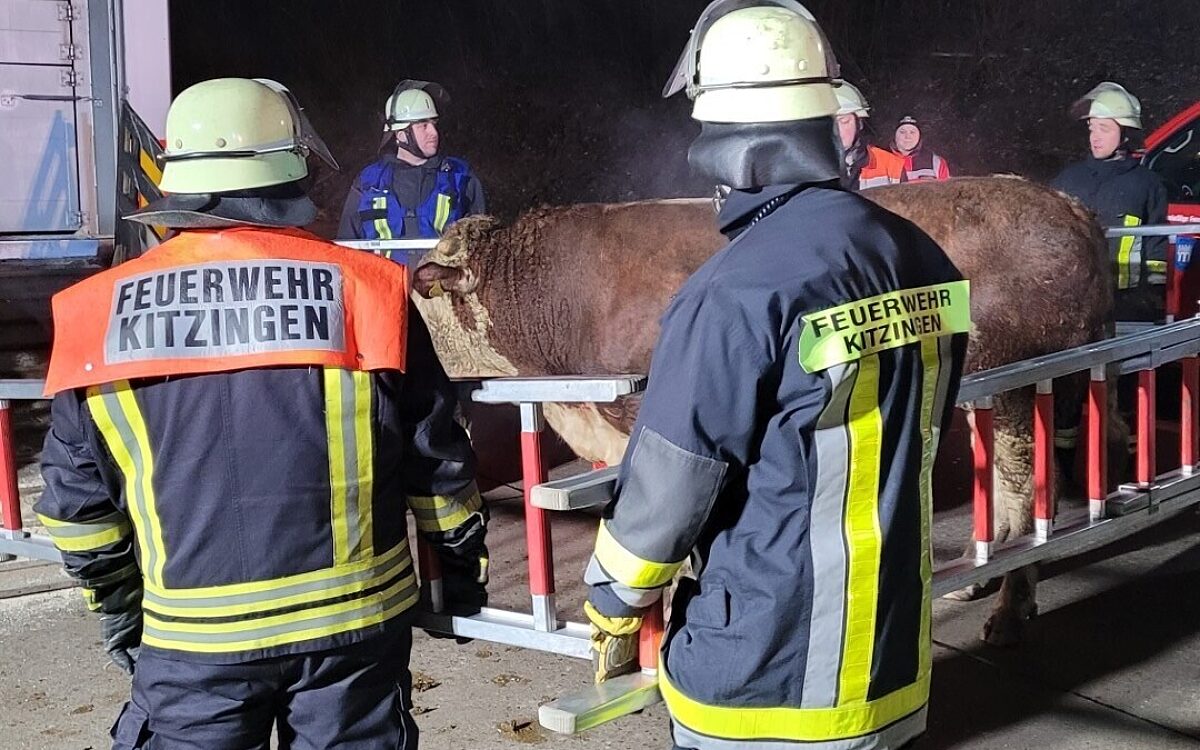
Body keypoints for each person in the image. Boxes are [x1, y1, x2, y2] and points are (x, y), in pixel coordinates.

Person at [35, 77, 488, 750]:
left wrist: (121, 610)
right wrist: (459, 576)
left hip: (191, 646)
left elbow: (79, 511)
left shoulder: (95, 313)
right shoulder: (370, 291)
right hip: (354, 639)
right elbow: (437, 464)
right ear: (289, 169)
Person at [584, 3, 969, 749]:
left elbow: (671, 484)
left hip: (758, 684)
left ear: (732, 148)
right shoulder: (925, 262)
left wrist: (613, 603)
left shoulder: (734, 291)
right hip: (890, 675)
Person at [1051, 81, 1168, 322]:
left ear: (1125, 133)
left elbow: (1156, 248)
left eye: (1104, 129)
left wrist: (1155, 295)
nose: (1095, 137)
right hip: (1075, 303)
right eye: (1092, 129)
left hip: (1129, 305)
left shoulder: (1147, 184)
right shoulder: (1068, 180)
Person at [337, 79, 486, 243]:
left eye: (434, 123)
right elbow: (346, 248)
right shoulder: (368, 183)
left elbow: (482, 247)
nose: (434, 132)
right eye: (423, 125)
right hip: (385, 270)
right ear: (401, 134)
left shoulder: (461, 178)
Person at [835, 79, 907, 190]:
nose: (835, 130)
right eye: (827, 123)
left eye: (843, 121)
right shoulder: (807, 169)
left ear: (859, 123)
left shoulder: (891, 166)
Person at [891, 115, 952, 181]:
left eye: (912, 132)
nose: (908, 136)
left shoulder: (936, 162)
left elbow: (947, 189)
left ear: (919, 135)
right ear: (894, 135)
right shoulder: (881, 161)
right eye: (902, 132)